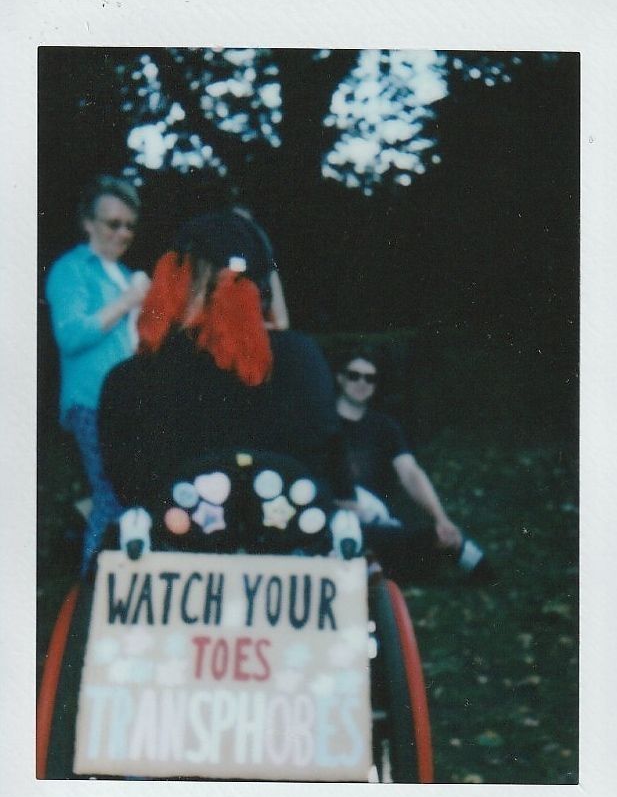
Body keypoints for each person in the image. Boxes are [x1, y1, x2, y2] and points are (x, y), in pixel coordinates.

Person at [98, 214, 348, 517]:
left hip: (174, 549)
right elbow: (328, 464)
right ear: (264, 290)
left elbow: (128, 486)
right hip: (289, 545)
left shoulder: (127, 380)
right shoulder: (303, 360)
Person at [45, 175, 150, 573]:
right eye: (113, 223)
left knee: (124, 494)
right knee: (110, 492)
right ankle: (93, 588)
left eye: (129, 225)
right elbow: (70, 336)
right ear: (88, 223)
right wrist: (127, 302)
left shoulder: (124, 275)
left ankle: (116, 583)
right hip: (90, 402)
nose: (123, 233)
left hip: (127, 405)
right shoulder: (72, 270)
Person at [334, 348, 493, 582]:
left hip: (377, 521)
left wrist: (441, 517)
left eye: (370, 378)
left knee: (436, 537)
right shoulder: (323, 422)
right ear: (340, 378)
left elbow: (410, 472)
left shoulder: (385, 427)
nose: (362, 383)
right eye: (354, 375)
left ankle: (483, 575)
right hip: (333, 514)